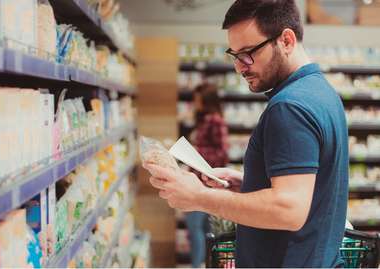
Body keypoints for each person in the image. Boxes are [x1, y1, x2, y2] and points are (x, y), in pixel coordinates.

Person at [143, 0, 349, 267]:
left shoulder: (289, 107)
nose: (240, 66)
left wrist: (199, 197)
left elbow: (289, 210)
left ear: (286, 40)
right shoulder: (322, 92)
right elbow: (312, 189)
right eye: (235, 55)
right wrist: (251, 183)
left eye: (249, 52)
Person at [185, 84, 229, 268]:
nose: (195, 103)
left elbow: (222, 153)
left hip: (206, 183)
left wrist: (196, 151)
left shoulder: (216, 121)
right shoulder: (204, 120)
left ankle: (198, 265)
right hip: (198, 179)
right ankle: (206, 264)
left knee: (195, 228)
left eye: (197, 99)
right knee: (203, 229)